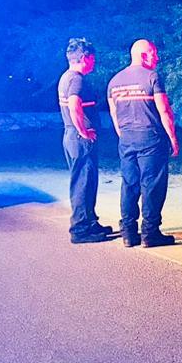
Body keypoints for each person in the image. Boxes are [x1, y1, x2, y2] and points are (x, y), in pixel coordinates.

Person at [108, 39, 180, 248]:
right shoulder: (152, 77)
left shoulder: (114, 82)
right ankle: (150, 233)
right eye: (153, 53)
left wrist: (124, 135)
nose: (156, 57)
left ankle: (129, 233)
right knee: (152, 185)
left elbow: (114, 115)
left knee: (129, 184)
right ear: (142, 55)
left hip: (126, 139)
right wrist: (173, 138)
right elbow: (164, 111)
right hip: (151, 138)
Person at [58, 38, 111, 244]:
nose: (94, 62)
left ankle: (90, 221)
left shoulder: (66, 77)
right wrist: (84, 131)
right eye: (92, 58)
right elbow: (74, 106)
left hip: (73, 136)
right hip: (80, 138)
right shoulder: (76, 80)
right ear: (84, 58)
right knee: (83, 182)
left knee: (87, 180)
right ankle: (80, 229)